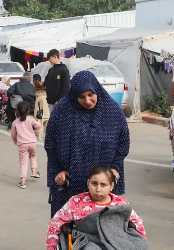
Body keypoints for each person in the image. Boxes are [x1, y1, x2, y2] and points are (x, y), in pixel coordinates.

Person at [45, 71, 130, 217]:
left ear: (97, 90)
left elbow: (123, 143)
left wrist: (115, 167)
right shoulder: (62, 111)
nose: (88, 101)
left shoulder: (113, 112)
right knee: (66, 229)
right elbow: (50, 143)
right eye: (81, 97)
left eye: (91, 95)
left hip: (102, 185)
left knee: (103, 229)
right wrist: (58, 170)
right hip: (69, 183)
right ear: (74, 95)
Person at [11, 101, 41, 189]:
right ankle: (34, 172)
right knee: (33, 156)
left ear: (17, 111)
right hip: (32, 142)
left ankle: (23, 181)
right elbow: (38, 125)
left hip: (22, 144)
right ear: (28, 111)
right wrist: (36, 133)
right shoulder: (30, 119)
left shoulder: (15, 123)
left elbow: (13, 135)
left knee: (23, 163)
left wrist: (16, 141)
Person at [43, 49, 70, 113]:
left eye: (50, 58)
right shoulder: (50, 70)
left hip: (60, 102)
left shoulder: (64, 70)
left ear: (55, 57)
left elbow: (66, 87)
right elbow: (46, 83)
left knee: (60, 121)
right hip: (50, 102)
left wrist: (59, 100)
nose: (49, 60)